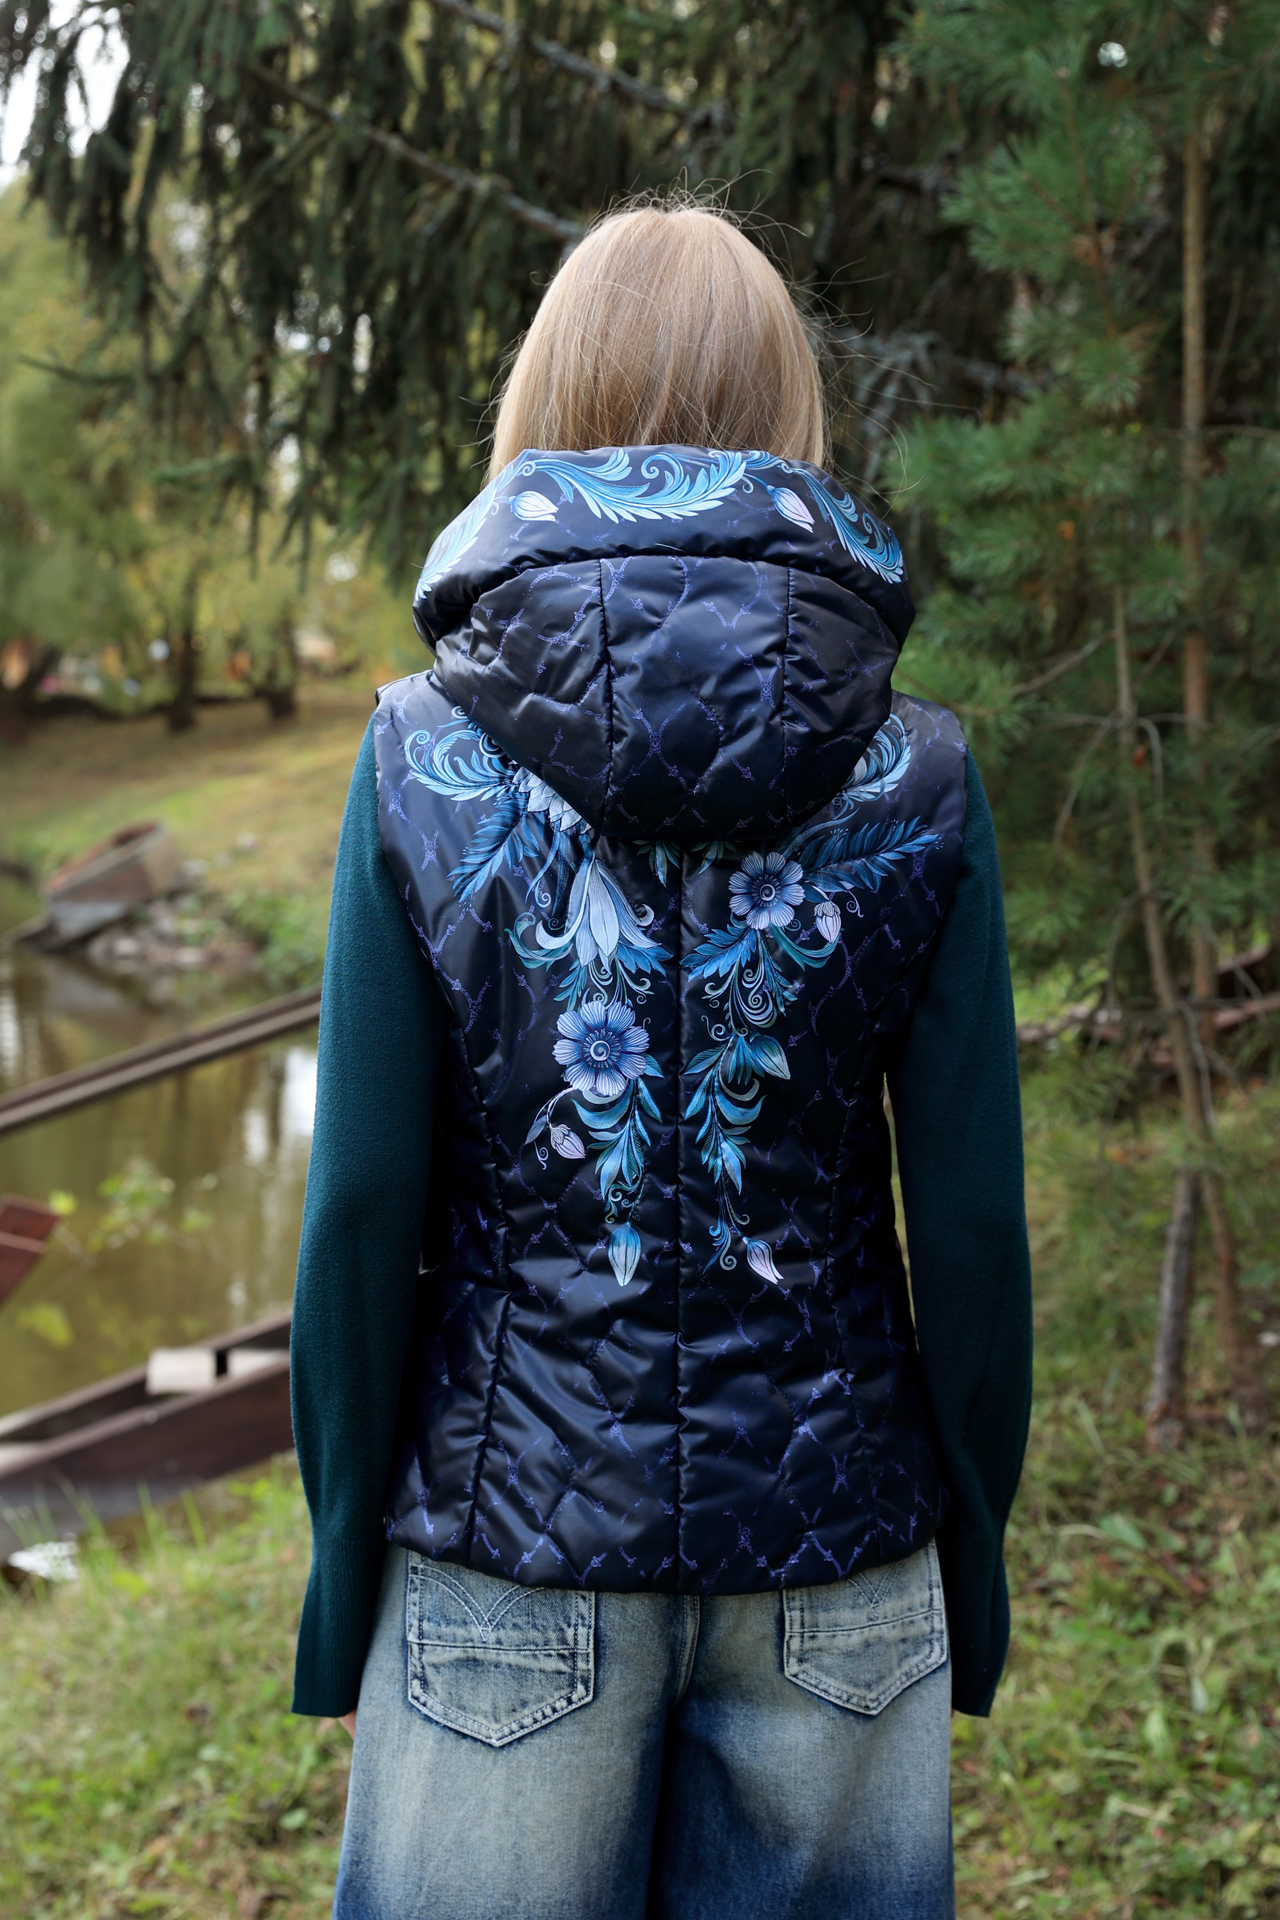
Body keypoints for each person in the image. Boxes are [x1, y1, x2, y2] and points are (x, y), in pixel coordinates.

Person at [290, 203, 1032, 1920]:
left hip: (504, 1555)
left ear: (544, 401)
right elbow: (974, 1230)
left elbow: (362, 1211)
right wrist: (974, 1552)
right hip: (842, 1562)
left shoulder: (419, 757)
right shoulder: (921, 772)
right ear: (794, 410)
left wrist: (342, 1569)